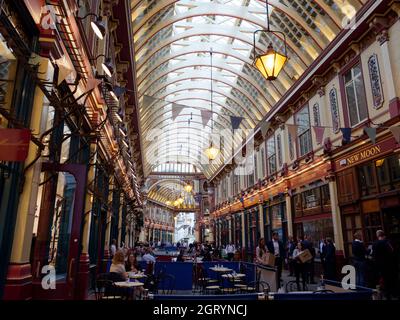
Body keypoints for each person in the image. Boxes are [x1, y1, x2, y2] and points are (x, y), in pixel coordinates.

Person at [372, 230, 397, 299]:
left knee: (383, 280)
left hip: (380, 266)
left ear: (377, 236)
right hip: (390, 265)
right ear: (384, 235)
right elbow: (393, 253)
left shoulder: (374, 244)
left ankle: (385, 294)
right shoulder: (388, 242)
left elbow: (373, 255)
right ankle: (393, 294)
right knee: (392, 280)